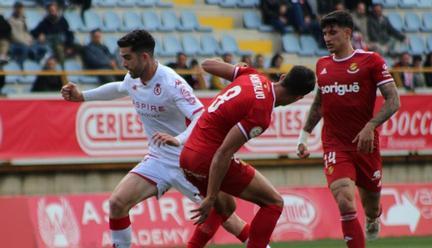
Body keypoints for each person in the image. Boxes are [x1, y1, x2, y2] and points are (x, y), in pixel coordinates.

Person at [61, 30, 252, 248]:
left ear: (144, 57)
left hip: (189, 160)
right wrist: (82, 96)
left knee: (229, 219)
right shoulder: (133, 79)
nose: (123, 63)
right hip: (159, 159)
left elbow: (201, 115)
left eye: (127, 57)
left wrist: (178, 139)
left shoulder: (172, 83)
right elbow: (118, 88)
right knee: (117, 203)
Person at [180, 60, 316, 248]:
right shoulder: (261, 113)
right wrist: (210, 197)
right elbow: (223, 153)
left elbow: (207, 64)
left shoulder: (253, 75)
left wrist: (238, 70)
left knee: (226, 208)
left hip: (186, 155)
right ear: (299, 97)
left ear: (283, 77)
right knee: (273, 202)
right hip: (207, 158)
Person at [297, 11, 400, 248]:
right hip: (335, 145)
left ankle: (373, 218)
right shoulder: (322, 65)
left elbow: (393, 100)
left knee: (371, 206)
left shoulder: (371, 61)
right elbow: (319, 104)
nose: (327, 38)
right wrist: (304, 135)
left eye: (332, 32)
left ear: (347, 33)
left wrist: (371, 125)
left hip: (366, 145)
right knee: (345, 201)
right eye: (324, 33)